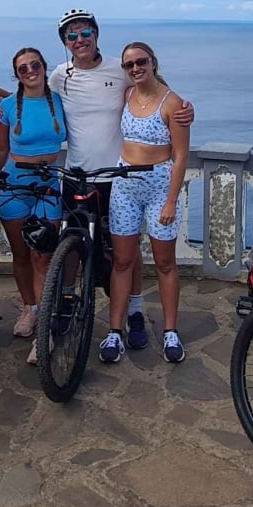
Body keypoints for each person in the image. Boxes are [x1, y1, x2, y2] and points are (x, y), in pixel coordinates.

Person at [49, 8, 193, 354]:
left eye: (85, 33)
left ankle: (136, 311)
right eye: (72, 36)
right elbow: (30, 88)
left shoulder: (119, 69)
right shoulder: (59, 75)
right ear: (65, 43)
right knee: (76, 245)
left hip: (119, 178)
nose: (80, 40)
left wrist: (186, 110)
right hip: (80, 174)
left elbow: (158, 93)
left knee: (127, 257)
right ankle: (71, 302)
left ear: (97, 35)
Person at [99, 42, 190, 364]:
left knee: (164, 263)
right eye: (129, 65)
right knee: (122, 261)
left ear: (153, 62)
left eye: (141, 62)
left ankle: (170, 332)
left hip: (159, 189)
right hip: (125, 187)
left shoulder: (172, 103)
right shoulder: (127, 95)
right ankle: (114, 331)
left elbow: (180, 157)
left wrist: (170, 201)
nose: (135, 68)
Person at [0, 47, 67, 364]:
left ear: (44, 67)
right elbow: (0, 149)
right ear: (17, 74)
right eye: (23, 68)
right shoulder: (6, 107)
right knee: (21, 253)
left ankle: (44, 332)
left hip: (48, 185)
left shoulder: (61, 102)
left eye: (35, 65)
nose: (30, 71)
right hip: (14, 187)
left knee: (43, 257)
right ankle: (30, 308)